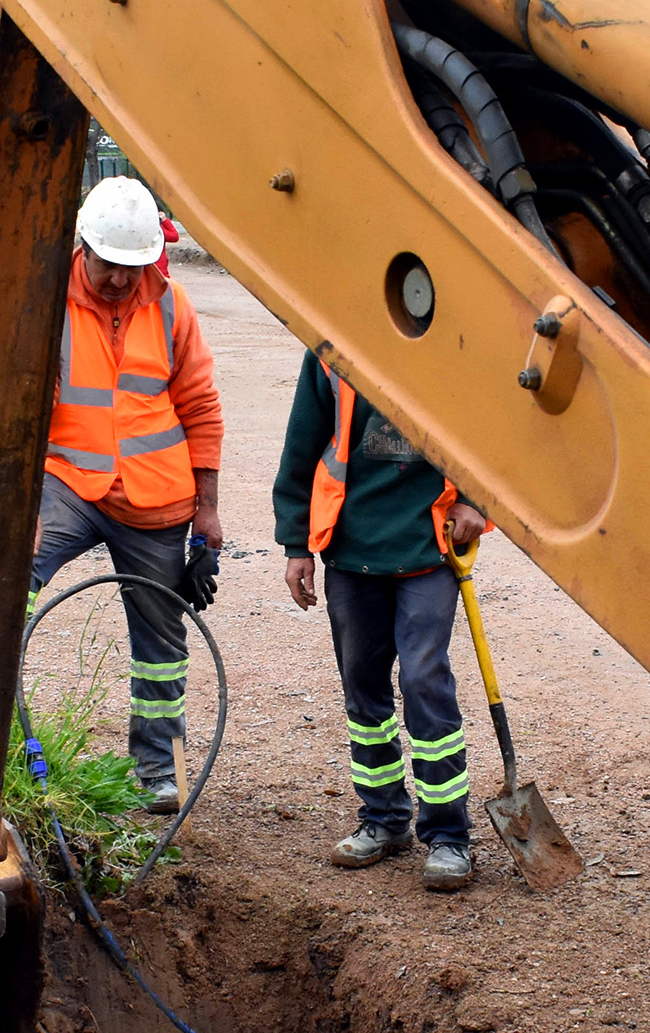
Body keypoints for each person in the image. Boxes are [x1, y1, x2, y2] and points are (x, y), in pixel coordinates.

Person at [31, 176, 226, 815]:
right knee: (2, 585)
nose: (120, 280)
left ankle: (159, 773)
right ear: (83, 247)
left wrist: (208, 516)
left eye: (133, 267)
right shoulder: (44, 301)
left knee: (162, 644)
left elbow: (200, 406)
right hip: (70, 483)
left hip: (155, 500)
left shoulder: (170, 306)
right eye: (109, 265)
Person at [273, 351, 492, 893]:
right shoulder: (329, 355)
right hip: (351, 551)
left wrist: (474, 502)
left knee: (423, 679)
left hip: (427, 549)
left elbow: (494, 437)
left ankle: (447, 835)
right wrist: (297, 544)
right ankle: (384, 818)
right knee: (363, 687)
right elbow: (301, 449)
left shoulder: (457, 345)